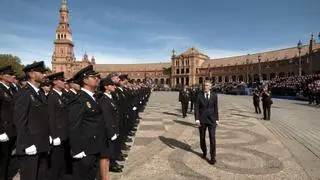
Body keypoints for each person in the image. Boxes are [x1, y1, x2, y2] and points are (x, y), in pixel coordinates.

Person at [13, 61, 50, 180]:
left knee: (41, 176)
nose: (45, 75)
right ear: (32, 74)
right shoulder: (24, 93)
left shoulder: (40, 93)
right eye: (42, 72)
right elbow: (20, 122)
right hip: (30, 146)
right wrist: (27, 144)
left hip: (42, 144)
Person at [68, 65, 105, 180]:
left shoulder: (93, 97)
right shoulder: (80, 99)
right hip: (84, 149)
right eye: (93, 77)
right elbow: (73, 125)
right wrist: (77, 149)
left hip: (94, 146)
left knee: (91, 175)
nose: (97, 79)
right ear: (85, 80)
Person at [47, 72, 68, 180]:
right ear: (55, 82)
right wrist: (54, 135)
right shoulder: (52, 97)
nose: (65, 82)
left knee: (61, 163)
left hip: (63, 134)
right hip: (57, 136)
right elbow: (51, 118)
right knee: (55, 164)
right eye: (62, 80)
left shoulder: (61, 95)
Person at [98, 77, 120, 180]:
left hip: (112, 130)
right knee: (104, 156)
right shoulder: (104, 99)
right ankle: (104, 177)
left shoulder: (109, 97)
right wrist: (111, 132)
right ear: (106, 87)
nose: (114, 86)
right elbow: (106, 118)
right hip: (107, 132)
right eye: (111, 85)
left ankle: (106, 176)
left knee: (107, 156)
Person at [195, 81, 219, 165]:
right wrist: (197, 119)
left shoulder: (214, 95)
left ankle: (213, 157)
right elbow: (196, 108)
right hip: (202, 119)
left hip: (212, 120)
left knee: (212, 138)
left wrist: (217, 119)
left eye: (207, 85)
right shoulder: (199, 95)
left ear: (210, 87)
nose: (205, 87)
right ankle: (204, 152)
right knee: (202, 138)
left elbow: (216, 107)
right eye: (204, 85)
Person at [0, 65, 17, 180]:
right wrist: (0, 131)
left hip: (11, 130)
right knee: (2, 160)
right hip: (3, 131)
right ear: (1, 76)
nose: (13, 76)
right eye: (10, 74)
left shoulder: (10, 89)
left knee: (7, 160)